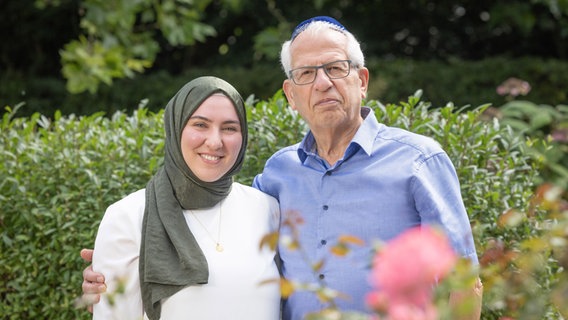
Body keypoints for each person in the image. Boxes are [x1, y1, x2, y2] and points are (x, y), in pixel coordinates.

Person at [82, 16, 482, 319]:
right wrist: (117, 268)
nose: (323, 82)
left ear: (361, 81)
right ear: (291, 95)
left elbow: (465, 282)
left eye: (336, 68)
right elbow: (222, 222)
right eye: (306, 73)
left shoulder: (418, 161)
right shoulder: (277, 176)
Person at [88, 76, 281, 320]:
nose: (215, 141)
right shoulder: (129, 216)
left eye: (230, 128)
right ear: (176, 127)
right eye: (200, 125)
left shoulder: (267, 208)